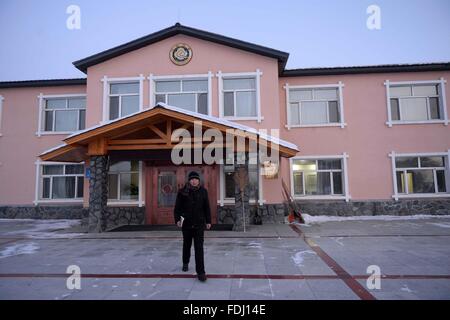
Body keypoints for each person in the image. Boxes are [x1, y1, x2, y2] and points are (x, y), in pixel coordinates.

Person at [174, 171, 211, 282]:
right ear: (189, 180)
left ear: (199, 180)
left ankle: (201, 272)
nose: (194, 181)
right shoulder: (182, 192)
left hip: (199, 224)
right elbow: (177, 208)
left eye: (196, 179)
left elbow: (207, 207)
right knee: (187, 245)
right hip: (187, 224)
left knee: (199, 248)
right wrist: (177, 220)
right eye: (192, 179)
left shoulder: (203, 191)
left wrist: (208, 221)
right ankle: (185, 262)